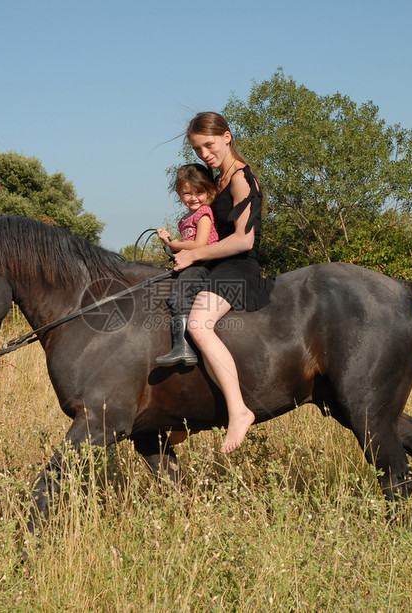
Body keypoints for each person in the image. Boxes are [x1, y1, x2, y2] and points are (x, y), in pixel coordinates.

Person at [172, 112, 274, 453]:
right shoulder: (217, 179)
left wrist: (195, 256)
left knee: (199, 325)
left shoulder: (242, 177)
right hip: (216, 265)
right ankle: (187, 414)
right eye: (198, 149)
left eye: (209, 145)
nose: (204, 154)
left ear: (227, 137)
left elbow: (244, 240)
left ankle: (239, 411)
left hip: (238, 267)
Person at [155, 163, 220, 367]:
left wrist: (173, 244)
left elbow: (199, 245)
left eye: (199, 192)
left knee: (180, 294)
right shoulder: (185, 218)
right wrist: (168, 242)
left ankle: (183, 347)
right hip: (191, 261)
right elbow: (184, 248)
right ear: (179, 193)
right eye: (187, 193)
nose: (193, 197)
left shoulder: (204, 213)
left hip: (204, 262)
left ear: (208, 191)